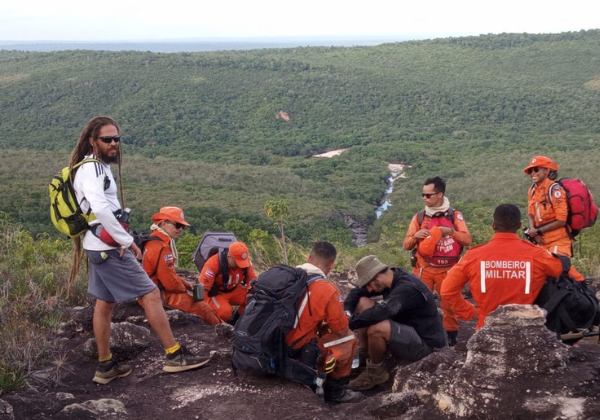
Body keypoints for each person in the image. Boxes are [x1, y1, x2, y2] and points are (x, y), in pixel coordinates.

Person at [70, 116, 210, 384]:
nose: (113, 144)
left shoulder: (92, 167)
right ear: (92, 141)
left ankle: (105, 365)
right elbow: (100, 209)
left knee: (105, 303)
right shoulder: (94, 169)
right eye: (107, 139)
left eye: (116, 139)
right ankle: (174, 355)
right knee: (150, 294)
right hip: (109, 248)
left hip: (96, 245)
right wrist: (127, 241)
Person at [440, 203, 564, 329]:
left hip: (486, 329)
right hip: (526, 331)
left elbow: (447, 291)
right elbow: (572, 278)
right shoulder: (538, 254)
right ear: (519, 225)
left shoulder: (474, 256)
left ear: (493, 225)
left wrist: (471, 312)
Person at [344, 255, 446, 391]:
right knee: (361, 302)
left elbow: (380, 312)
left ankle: (375, 372)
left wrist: (346, 325)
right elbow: (356, 292)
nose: (369, 289)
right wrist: (347, 314)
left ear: (377, 276)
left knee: (377, 328)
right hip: (407, 329)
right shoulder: (391, 277)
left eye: (368, 284)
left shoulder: (407, 288)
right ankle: (365, 359)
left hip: (426, 344)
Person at [285, 241, 364, 404]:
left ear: (308, 258)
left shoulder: (285, 277)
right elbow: (341, 329)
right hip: (294, 351)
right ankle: (336, 391)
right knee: (349, 338)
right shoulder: (326, 289)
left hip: (269, 344)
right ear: (332, 265)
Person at [403, 176, 472, 346]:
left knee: (449, 304)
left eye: (429, 195)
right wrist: (415, 236)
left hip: (447, 269)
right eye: (423, 195)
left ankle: (452, 336)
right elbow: (406, 244)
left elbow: (467, 240)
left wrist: (450, 232)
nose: (425, 198)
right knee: (420, 301)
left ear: (440, 194)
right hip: (424, 268)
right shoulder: (419, 217)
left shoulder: (454, 215)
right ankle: (421, 334)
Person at [141, 206, 222, 326]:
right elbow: (171, 284)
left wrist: (185, 282)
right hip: (159, 294)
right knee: (202, 308)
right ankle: (226, 332)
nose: (180, 229)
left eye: (182, 226)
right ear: (163, 224)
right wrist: (186, 289)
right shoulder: (161, 248)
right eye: (177, 225)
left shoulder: (154, 240)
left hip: (151, 289)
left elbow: (168, 274)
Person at [524, 155, 584, 281]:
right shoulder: (532, 190)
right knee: (542, 275)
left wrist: (538, 231)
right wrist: (532, 230)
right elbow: (530, 213)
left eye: (536, 170)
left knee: (561, 271)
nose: (532, 173)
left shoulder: (555, 190)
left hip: (558, 240)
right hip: (542, 241)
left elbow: (561, 220)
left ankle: (583, 287)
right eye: (531, 170)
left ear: (546, 171)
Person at [198, 241, 257, 323]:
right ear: (229, 256)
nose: (240, 265)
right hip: (217, 293)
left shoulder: (246, 263)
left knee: (254, 300)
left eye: (242, 262)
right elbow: (203, 288)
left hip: (234, 289)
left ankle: (237, 320)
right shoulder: (213, 263)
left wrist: (252, 291)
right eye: (237, 262)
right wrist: (201, 307)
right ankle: (220, 323)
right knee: (224, 313)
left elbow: (252, 279)